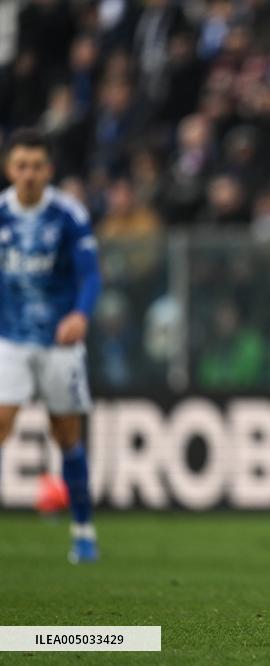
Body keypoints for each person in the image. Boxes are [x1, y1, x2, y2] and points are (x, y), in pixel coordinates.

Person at [0, 128, 102, 563]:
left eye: (36, 166)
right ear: (10, 169)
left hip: (59, 343)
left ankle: (83, 531)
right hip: (10, 341)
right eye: (21, 166)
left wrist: (81, 313)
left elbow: (91, 275)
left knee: (67, 438)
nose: (28, 175)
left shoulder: (68, 215)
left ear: (49, 170)